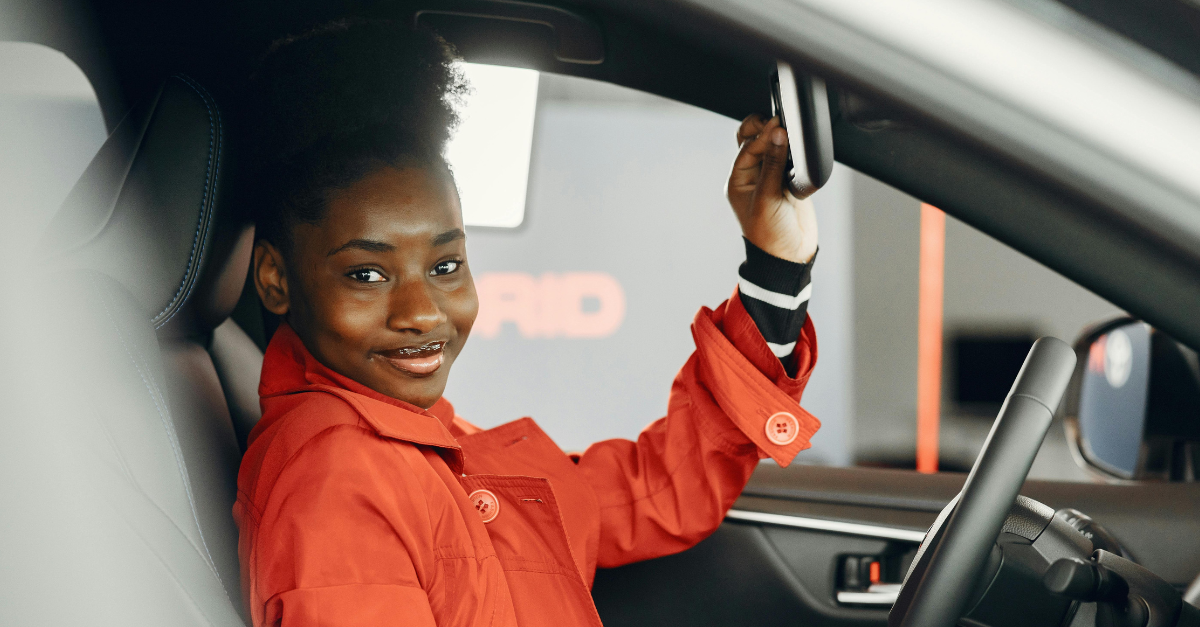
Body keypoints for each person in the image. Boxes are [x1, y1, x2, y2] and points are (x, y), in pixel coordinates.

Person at [234, 20, 821, 627]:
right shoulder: (338, 481)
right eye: (366, 274)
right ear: (276, 278)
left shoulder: (416, 438)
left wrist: (775, 271)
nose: (422, 312)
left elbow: (651, 494)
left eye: (445, 265)